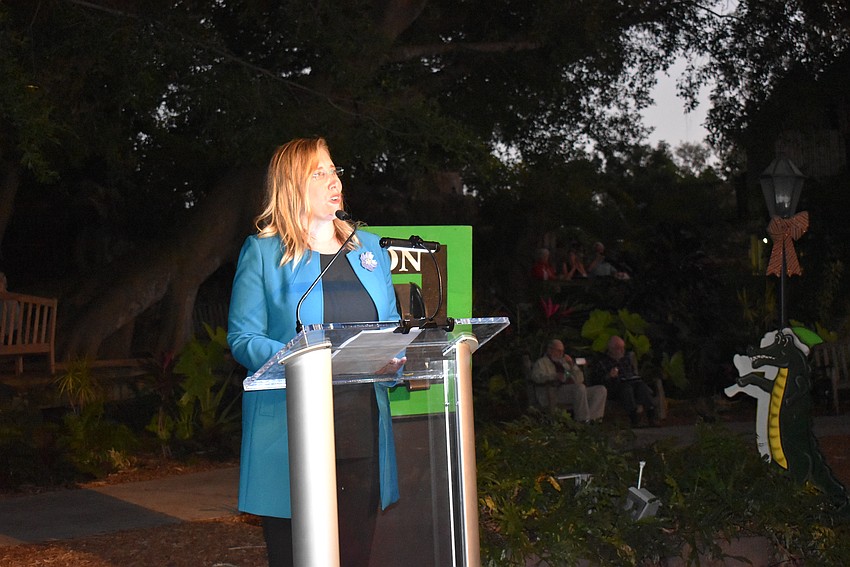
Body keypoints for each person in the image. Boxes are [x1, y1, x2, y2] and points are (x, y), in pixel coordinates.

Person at [227, 137, 404, 567]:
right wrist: (304, 358)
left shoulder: (372, 250)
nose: (334, 180)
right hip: (293, 435)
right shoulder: (265, 253)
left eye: (334, 170)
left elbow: (393, 327)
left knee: (354, 557)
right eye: (319, 172)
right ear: (292, 185)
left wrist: (393, 362)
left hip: (360, 430)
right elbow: (243, 337)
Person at [531, 339, 607, 422]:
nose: (561, 354)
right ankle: (582, 421)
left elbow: (580, 379)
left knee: (600, 390)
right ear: (550, 350)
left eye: (562, 351)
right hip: (553, 392)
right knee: (579, 388)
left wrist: (571, 365)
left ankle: (593, 421)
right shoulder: (542, 363)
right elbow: (536, 377)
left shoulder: (564, 363)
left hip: (572, 391)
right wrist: (554, 376)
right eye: (558, 351)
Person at [594, 335, 658, 427]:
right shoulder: (602, 362)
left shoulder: (625, 359)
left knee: (641, 386)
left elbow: (631, 372)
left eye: (623, 348)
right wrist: (609, 375)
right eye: (618, 348)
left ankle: (651, 416)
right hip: (615, 387)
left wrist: (633, 377)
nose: (622, 351)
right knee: (626, 389)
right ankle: (634, 418)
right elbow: (598, 379)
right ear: (611, 349)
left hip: (631, 382)